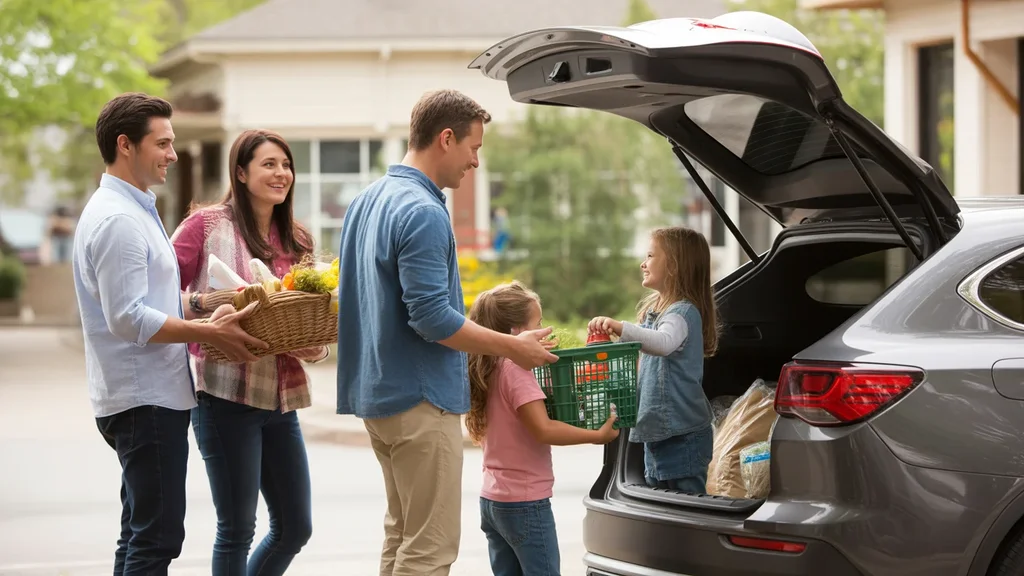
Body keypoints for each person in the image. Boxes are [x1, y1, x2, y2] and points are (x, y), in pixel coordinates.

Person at [336, 89, 558, 576]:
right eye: (474, 148)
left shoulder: (366, 202)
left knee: (402, 537)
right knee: (430, 550)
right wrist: (513, 347)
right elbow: (433, 318)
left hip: (377, 397)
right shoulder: (423, 211)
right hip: (420, 400)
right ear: (446, 138)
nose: (476, 162)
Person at [71, 92, 267, 576]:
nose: (173, 154)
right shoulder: (118, 220)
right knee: (157, 538)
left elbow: (150, 299)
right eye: (162, 143)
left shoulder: (133, 209)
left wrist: (210, 303)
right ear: (125, 145)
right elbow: (129, 318)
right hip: (144, 400)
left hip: (147, 398)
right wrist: (207, 332)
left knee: (139, 533)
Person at [170, 129, 324, 575]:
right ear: (241, 172)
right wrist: (203, 305)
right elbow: (156, 292)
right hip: (223, 395)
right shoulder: (205, 226)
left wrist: (314, 344)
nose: (281, 174)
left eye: (286, 165)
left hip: (280, 399)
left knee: (295, 526)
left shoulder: (296, 240)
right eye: (268, 164)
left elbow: (306, 322)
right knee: (237, 528)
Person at [466, 281, 619, 576]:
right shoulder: (515, 370)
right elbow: (543, 430)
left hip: (493, 501)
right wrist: (597, 436)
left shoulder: (489, 366)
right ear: (515, 333)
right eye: (538, 324)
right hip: (525, 504)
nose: (544, 330)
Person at [589, 227, 719, 493]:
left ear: (673, 265)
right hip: (657, 432)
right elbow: (644, 361)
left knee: (688, 507)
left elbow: (662, 344)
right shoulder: (656, 313)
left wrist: (620, 327)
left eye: (650, 255)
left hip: (683, 436)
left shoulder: (682, 313)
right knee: (662, 502)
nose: (643, 263)